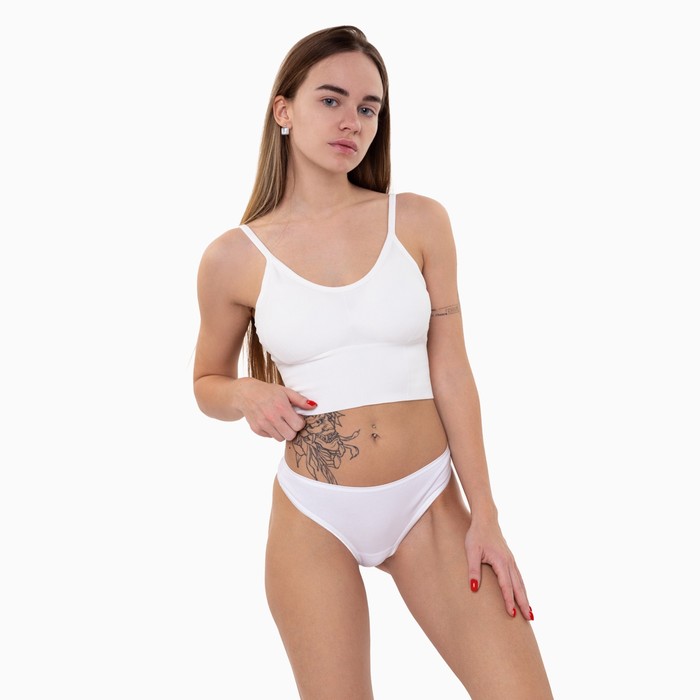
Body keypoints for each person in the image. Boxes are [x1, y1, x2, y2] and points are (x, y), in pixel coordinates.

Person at [193, 25, 553, 700]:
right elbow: (204, 383)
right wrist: (244, 394)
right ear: (283, 110)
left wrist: (486, 513)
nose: (352, 122)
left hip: (429, 501)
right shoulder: (233, 258)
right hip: (315, 515)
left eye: (368, 108)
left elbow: (453, 371)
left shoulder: (417, 222)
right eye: (331, 100)